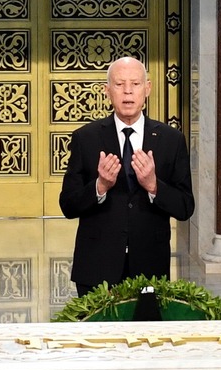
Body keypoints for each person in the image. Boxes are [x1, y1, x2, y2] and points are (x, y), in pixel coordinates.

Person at [58, 56, 195, 294]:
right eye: (120, 84)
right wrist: (100, 186)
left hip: (150, 268)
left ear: (147, 89)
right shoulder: (86, 138)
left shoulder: (171, 140)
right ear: (107, 91)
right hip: (97, 268)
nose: (128, 91)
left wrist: (153, 185)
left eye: (135, 84)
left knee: (145, 321)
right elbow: (68, 205)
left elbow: (185, 207)